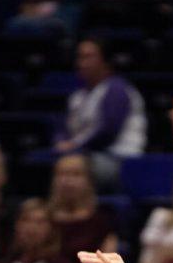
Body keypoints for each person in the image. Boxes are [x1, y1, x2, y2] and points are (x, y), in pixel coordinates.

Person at [54, 37, 146, 190]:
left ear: (106, 61)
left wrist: (73, 146)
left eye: (88, 57)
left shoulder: (117, 90)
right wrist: (60, 142)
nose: (81, 63)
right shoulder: (78, 96)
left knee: (71, 170)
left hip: (118, 159)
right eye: (79, 57)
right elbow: (63, 128)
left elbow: (107, 133)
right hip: (85, 154)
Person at [46, 153, 118, 263]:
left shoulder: (103, 219)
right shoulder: (40, 218)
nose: (67, 181)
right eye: (61, 174)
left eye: (75, 174)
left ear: (90, 181)